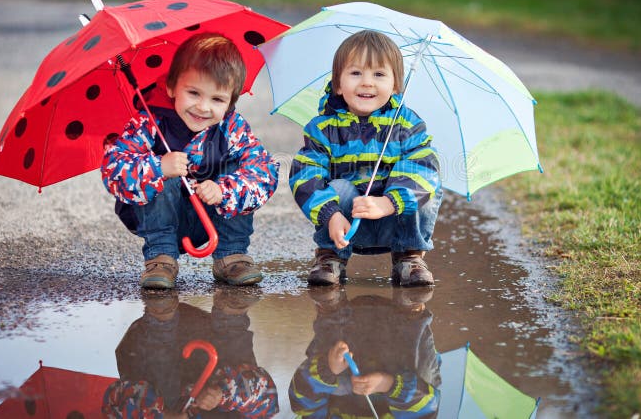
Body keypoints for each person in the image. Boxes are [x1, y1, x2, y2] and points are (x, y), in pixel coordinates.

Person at [102, 33, 278, 288]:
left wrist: (224, 190)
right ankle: (161, 258)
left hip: (211, 212)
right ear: (172, 87)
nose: (203, 108)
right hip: (160, 219)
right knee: (160, 167)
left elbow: (263, 171)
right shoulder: (148, 122)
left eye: (217, 99)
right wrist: (158, 167)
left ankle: (232, 254)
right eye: (194, 93)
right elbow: (114, 168)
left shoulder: (231, 128)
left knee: (236, 166)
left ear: (230, 102)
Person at [289, 30, 442, 287]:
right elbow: (305, 173)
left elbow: (424, 165)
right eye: (356, 73)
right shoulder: (323, 128)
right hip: (344, 224)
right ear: (338, 83)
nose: (367, 83)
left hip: (393, 219)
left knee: (427, 184)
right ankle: (330, 256)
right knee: (338, 186)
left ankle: (409, 257)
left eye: (379, 74)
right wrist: (330, 214)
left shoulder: (407, 124)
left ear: (396, 85)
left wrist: (388, 202)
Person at [102, 288, 279, 418]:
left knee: (166, 398)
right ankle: (232, 305)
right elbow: (267, 395)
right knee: (242, 392)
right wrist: (223, 393)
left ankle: (161, 310)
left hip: (150, 341)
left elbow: (115, 398)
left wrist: (160, 415)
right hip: (211, 336)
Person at [288, 288, 441, 418]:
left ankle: (329, 301)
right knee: (426, 388)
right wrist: (388, 384)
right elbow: (426, 408)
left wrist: (328, 370)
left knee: (315, 385)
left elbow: (300, 399)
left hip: (345, 332)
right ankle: (412, 302)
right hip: (398, 334)